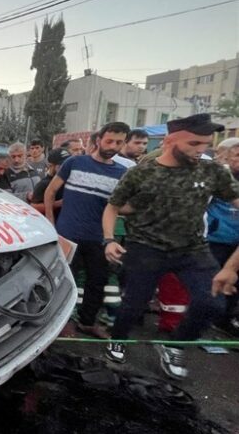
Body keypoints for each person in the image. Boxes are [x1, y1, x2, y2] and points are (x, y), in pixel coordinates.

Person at [103, 114, 239, 379]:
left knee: (213, 303)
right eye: (194, 143)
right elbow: (113, 206)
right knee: (134, 304)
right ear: (169, 141)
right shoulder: (142, 171)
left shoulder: (211, 172)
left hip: (192, 249)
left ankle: (174, 345)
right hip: (145, 247)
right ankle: (117, 338)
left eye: (206, 144)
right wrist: (109, 240)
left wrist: (232, 267)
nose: (202, 150)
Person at [44, 122, 130, 339]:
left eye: (119, 142)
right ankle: (62, 324)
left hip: (99, 238)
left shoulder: (122, 173)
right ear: (98, 140)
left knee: (97, 282)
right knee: (64, 281)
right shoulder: (74, 162)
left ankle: (87, 322)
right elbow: (50, 192)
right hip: (67, 235)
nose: (113, 145)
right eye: (109, 140)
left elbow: (122, 207)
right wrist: (50, 224)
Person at [207, 141, 239, 336]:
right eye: (236, 156)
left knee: (234, 283)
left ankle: (225, 320)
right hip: (216, 237)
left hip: (237, 243)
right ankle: (205, 317)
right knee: (211, 279)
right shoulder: (219, 177)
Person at [30, 148, 70, 216]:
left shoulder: (68, 180)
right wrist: (58, 203)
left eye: (68, 163)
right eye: (62, 165)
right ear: (50, 165)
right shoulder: (43, 184)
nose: (66, 167)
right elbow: (33, 207)